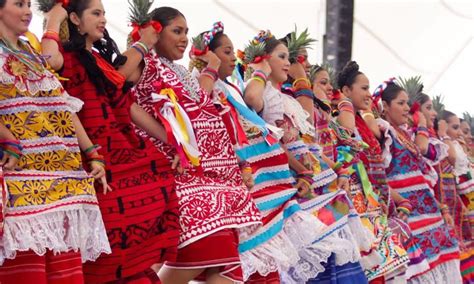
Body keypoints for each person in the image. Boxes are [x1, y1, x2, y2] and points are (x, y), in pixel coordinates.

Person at [41, 1, 181, 282]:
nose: (103, 19)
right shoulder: (64, 59)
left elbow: (127, 107)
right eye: (96, 13)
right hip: (90, 156)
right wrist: (54, 19)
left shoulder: (98, 61)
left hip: (118, 146)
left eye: (104, 13)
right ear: (75, 20)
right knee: (109, 231)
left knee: (156, 180)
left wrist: (174, 143)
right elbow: (47, 61)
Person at [131, 7, 261, 284]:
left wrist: (211, 68)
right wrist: (142, 43)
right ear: (156, 32)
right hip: (180, 176)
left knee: (224, 266)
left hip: (216, 179)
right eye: (177, 31)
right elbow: (117, 88)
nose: (184, 39)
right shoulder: (146, 65)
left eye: (187, 32)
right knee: (203, 250)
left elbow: (199, 101)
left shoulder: (178, 71)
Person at [0, 0, 110, 282]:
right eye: (19, 4)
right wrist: (7, 136)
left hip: (63, 177)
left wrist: (91, 152)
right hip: (21, 178)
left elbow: (62, 105)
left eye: (28, 4)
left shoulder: (32, 53)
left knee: (65, 275)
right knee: (27, 272)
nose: (27, 11)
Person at [374, 80, 462, 283]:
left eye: (407, 104)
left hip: (430, 215)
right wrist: (422, 125)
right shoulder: (383, 129)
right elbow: (422, 148)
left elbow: (424, 173)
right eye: (401, 103)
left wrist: (442, 208)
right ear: (385, 106)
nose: (406, 108)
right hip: (408, 218)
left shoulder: (406, 133)